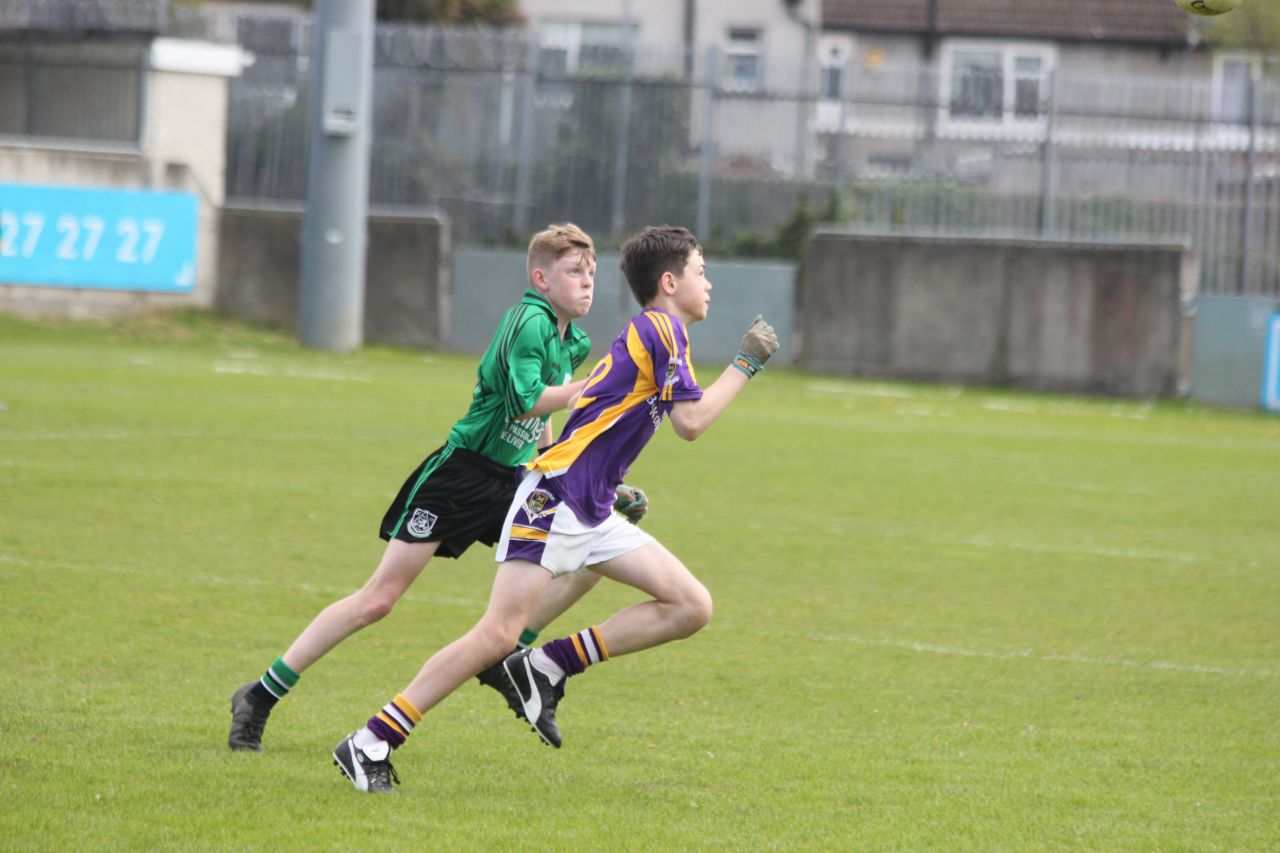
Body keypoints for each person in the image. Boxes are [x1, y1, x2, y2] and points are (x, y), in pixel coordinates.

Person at [332, 224, 780, 793]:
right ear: (669, 282)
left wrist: (608, 483)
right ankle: (370, 741)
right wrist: (745, 364)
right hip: (556, 498)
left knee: (690, 605)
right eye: (701, 271)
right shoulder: (663, 329)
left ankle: (546, 665)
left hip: (588, 504)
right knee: (495, 635)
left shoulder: (662, 333)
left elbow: (600, 414)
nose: (709, 283)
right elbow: (690, 425)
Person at [228, 223, 652, 752]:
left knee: (588, 556)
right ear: (541, 278)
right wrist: (587, 391)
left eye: (591, 273)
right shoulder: (527, 321)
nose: (587, 283)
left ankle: (506, 660)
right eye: (574, 272)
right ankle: (259, 696)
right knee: (378, 600)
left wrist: (558, 467)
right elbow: (526, 399)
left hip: (513, 481)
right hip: (458, 477)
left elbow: (541, 415)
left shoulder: (572, 339)